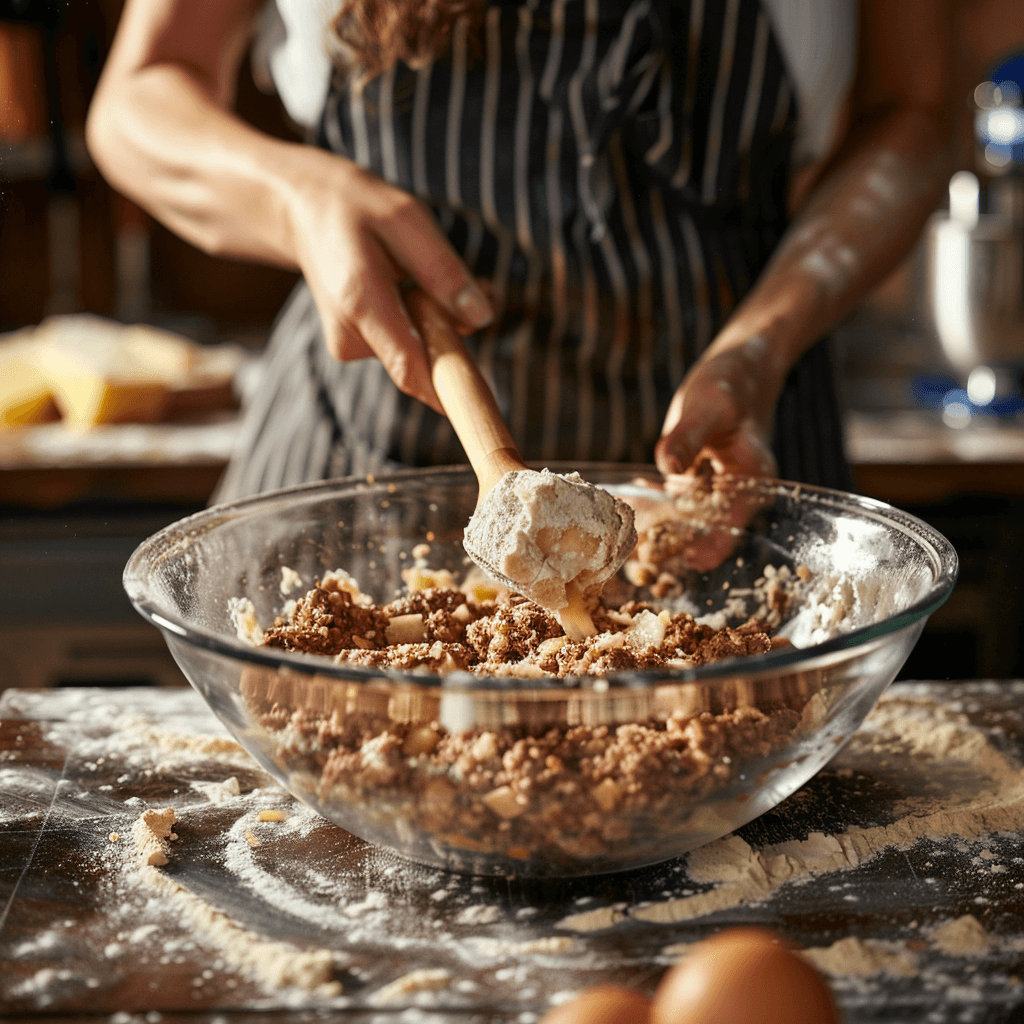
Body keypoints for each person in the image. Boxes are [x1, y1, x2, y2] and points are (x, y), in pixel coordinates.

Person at [86, 0, 951, 502]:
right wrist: (294, 196)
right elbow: (138, 100)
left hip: (731, 469)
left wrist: (760, 347)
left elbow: (912, 114)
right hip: (357, 465)